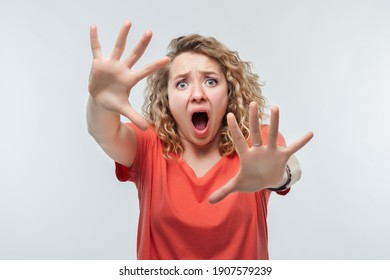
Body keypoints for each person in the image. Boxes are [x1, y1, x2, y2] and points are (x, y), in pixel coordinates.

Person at [87, 21, 313, 260]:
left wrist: (279, 176)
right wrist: (99, 101)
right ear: (167, 99)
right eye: (182, 84)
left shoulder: (254, 143)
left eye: (211, 81)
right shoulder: (149, 145)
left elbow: (290, 166)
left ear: (229, 93)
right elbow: (103, 132)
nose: (197, 95)